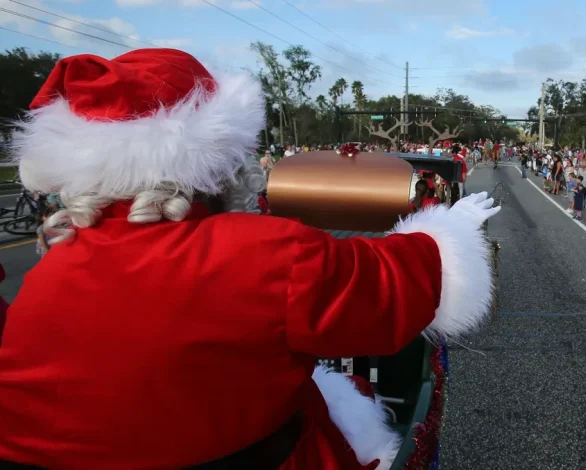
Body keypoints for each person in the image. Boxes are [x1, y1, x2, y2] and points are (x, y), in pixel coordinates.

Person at [0, 48, 501, 470]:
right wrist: (449, 231)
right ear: (217, 156)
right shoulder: (259, 252)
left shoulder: (49, 275)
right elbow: (392, 285)